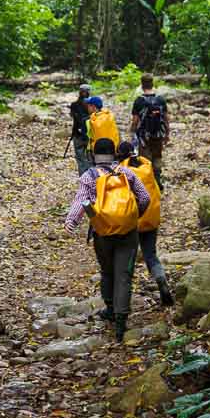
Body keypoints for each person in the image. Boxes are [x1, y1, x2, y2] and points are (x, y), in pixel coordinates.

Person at [65, 138, 150, 342]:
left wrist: (71, 222)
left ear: (94, 155)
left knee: (107, 271)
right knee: (124, 274)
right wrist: (133, 216)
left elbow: (81, 200)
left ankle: (110, 308)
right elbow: (145, 197)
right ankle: (121, 321)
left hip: (102, 233)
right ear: (114, 154)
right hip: (128, 233)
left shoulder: (89, 176)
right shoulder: (126, 173)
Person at [116, 141, 174, 306]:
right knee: (151, 255)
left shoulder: (122, 172)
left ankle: (123, 298)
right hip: (151, 219)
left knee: (128, 258)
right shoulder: (146, 166)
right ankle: (161, 280)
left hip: (132, 222)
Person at [130, 73, 169, 190]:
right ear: (153, 84)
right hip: (158, 135)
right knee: (157, 157)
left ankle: (148, 184)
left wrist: (132, 133)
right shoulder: (160, 100)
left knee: (145, 159)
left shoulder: (139, 101)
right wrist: (167, 133)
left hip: (144, 136)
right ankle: (157, 179)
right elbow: (166, 118)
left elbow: (135, 120)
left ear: (142, 85)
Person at [70, 84, 93, 175]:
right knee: (90, 157)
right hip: (90, 134)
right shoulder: (92, 105)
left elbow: (73, 116)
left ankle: (83, 177)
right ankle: (91, 176)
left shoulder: (74, 105)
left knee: (80, 158)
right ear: (89, 92)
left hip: (77, 133)